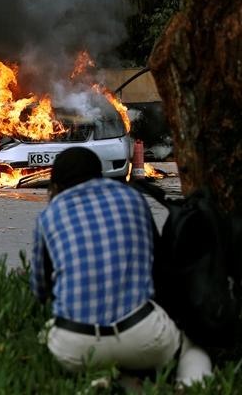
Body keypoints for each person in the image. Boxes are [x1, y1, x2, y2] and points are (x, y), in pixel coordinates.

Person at [30, 147, 211, 386]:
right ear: (99, 175)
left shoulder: (48, 216)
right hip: (142, 333)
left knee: (49, 333)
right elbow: (156, 263)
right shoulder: (133, 197)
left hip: (76, 345)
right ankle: (189, 385)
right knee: (191, 348)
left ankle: (104, 381)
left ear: (55, 187)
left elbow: (40, 290)